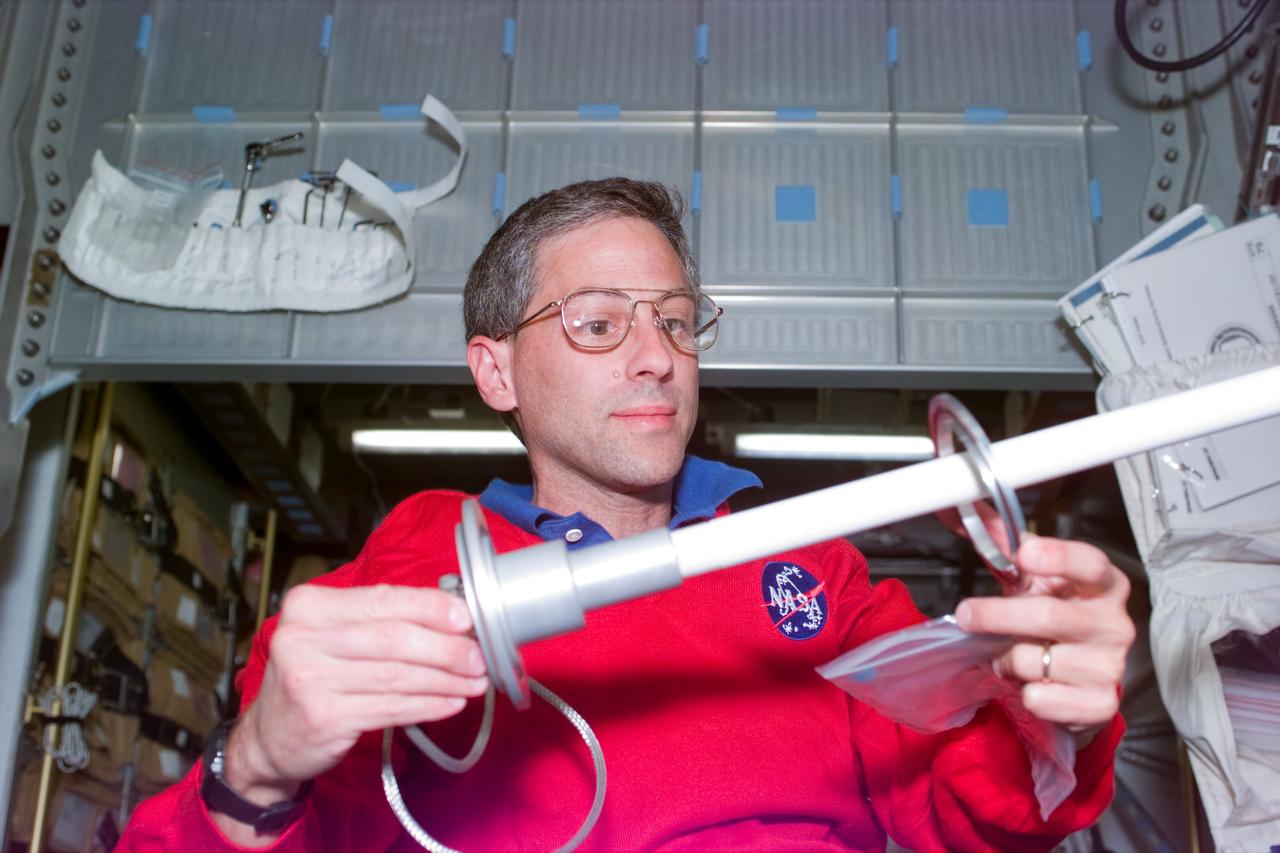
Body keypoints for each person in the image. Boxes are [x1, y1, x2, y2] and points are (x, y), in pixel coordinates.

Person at [118, 178, 1133, 853]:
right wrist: (252, 768)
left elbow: (968, 807)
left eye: (677, 322)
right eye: (599, 324)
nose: (657, 357)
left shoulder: (812, 569)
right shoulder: (402, 585)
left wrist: (1050, 710)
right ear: (495, 370)